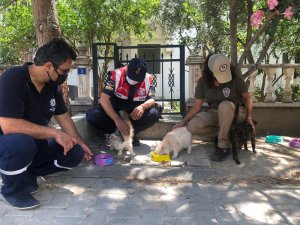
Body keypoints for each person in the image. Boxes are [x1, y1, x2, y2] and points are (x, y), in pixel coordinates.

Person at [0, 38, 93, 210]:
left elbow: (63, 118)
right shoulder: (12, 79)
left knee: (75, 152)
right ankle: (11, 190)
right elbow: (9, 126)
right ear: (48, 66)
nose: (65, 76)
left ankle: (28, 173)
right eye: (64, 71)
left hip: (35, 144)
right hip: (7, 143)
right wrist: (55, 133)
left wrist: (80, 142)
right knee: (22, 143)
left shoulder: (52, 87)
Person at [174, 53, 255, 162]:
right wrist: (183, 121)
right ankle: (224, 135)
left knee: (225, 105)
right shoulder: (203, 82)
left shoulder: (236, 79)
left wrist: (249, 117)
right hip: (215, 113)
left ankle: (223, 147)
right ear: (210, 71)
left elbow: (248, 98)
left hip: (236, 112)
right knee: (193, 126)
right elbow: (197, 106)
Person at [86, 58, 160, 145]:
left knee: (154, 113)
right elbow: (104, 99)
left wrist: (142, 107)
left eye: (138, 79)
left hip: (134, 112)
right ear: (127, 68)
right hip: (116, 110)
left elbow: (152, 99)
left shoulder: (149, 78)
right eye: (133, 77)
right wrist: (117, 120)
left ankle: (131, 135)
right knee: (92, 115)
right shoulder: (115, 75)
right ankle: (117, 134)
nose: (135, 80)